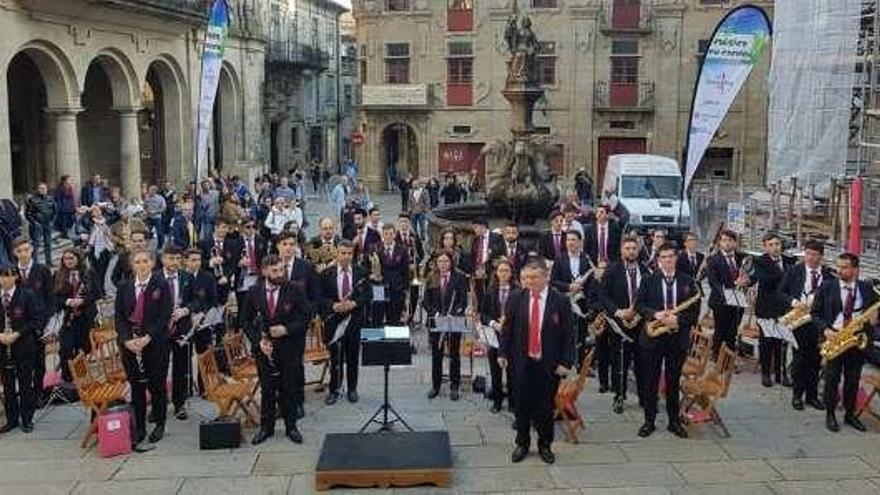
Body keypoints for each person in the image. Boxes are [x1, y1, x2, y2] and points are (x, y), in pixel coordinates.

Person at [499, 257, 574, 464]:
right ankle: (522, 443)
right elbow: (507, 330)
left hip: (548, 364)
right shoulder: (516, 298)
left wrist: (566, 362)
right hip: (521, 362)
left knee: (544, 407)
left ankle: (545, 444)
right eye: (525, 278)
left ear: (545, 277)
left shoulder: (560, 301)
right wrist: (503, 353)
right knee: (521, 406)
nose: (528, 282)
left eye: (533, 277)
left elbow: (569, 335)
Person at [240, 255, 307, 445]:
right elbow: (245, 320)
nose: (280, 274)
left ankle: (291, 426)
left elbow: (305, 316)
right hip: (265, 349)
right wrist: (257, 340)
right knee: (267, 389)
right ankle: (266, 428)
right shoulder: (254, 291)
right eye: (275, 271)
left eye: (282, 269)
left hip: (289, 347)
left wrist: (286, 329)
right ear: (265, 271)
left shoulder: (294, 289)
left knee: (289, 388)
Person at [635, 242, 699, 438]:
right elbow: (639, 305)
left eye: (671, 256)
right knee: (651, 381)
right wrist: (655, 315)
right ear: (658, 260)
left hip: (676, 339)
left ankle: (673, 421)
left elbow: (695, 312)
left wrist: (678, 319)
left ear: (676, 258)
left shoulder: (688, 281)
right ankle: (649, 421)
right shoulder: (648, 280)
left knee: (672, 382)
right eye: (663, 257)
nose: (667, 260)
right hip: (653, 338)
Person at [811, 252, 877, 433]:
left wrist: (874, 319)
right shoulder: (827, 287)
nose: (839, 270)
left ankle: (850, 414)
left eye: (844, 267)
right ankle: (830, 414)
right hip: (834, 338)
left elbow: (874, 312)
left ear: (855, 269)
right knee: (832, 379)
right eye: (838, 266)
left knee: (852, 380)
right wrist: (825, 330)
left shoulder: (865, 289)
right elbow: (814, 314)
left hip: (856, 341)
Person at [115, 250, 173, 450]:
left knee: (157, 386)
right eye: (137, 262)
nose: (141, 265)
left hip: (155, 343)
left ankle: (159, 423)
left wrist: (148, 337)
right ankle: (139, 426)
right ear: (132, 265)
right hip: (131, 345)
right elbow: (119, 317)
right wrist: (126, 340)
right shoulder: (124, 286)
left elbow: (165, 315)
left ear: (152, 263)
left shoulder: (161, 285)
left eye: (145, 261)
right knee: (137, 387)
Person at [778, 239, 831, 412]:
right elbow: (780, 292)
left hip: (818, 324)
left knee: (816, 361)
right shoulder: (794, 271)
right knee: (800, 360)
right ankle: (797, 396)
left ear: (821, 256)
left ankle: (812, 396)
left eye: (814, 255)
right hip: (799, 322)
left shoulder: (829, 275)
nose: (809, 258)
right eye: (807, 253)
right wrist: (794, 302)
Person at [600, 235, 650, 413]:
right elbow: (603, 296)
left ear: (638, 250)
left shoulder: (646, 271)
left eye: (634, 248)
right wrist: (619, 312)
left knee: (642, 362)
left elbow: (651, 296)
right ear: (622, 251)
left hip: (640, 324)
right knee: (619, 361)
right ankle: (619, 397)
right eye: (627, 248)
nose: (631, 251)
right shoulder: (612, 270)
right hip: (619, 324)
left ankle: (644, 397)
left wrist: (640, 312)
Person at [318, 241, 371, 405]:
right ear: (337, 253)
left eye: (349, 253)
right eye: (343, 253)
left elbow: (368, 294)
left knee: (353, 356)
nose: (346, 256)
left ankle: (352, 389)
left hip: (354, 321)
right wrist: (333, 306)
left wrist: (354, 304)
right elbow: (319, 298)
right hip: (334, 322)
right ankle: (334, 389)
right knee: (336, 358)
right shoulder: (326, 274)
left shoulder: (361, 272)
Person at [277, 231, 318, 419]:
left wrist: (307, 318)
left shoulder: (306, 267)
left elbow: (314, 296)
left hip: (298, 325)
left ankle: (298, 401)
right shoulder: (271, 266)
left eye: (291, 244)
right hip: (276, 326)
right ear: (278, 246)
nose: (288, 247)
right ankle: (280, 403)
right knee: (277, 366)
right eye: (285, 244)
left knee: (296, 365)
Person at [0, 265, 45, 434]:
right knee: (8, 385)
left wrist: (17, 333)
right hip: (3, 348)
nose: (5, 279)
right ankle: (12, 419)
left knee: (25, 383)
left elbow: (36, 320)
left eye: (9, 276)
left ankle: (27, 419)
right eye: (2, 276)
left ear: (16, 278)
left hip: (23, 346)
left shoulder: (27, 295)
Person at [12, 238, 53, 406]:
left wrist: (46, 322)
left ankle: (38, 394)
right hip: (19, 325)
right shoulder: (11, 272)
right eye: (19, 251)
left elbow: (50, 297)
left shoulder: (42, 270)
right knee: (22, 364)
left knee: (39, 361)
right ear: (15, 253)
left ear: (32, 250)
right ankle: (24, 394)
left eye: (26, 250)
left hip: (39, 323)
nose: (23, 254)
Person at [753, 233, 796, 388]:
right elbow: (765, 280)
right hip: (766, 308)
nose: (775, 247)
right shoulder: (760, 261)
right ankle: (766, 374)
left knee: (782, 343)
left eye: (777, 244)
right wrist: (786, 275)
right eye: (771, 244)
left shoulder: (789, 260)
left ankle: (781, 374)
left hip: (784, 308)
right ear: (765, 246)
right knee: (766, 342)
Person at [424, 252, 468, 401]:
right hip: (437, 320)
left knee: (454, 354)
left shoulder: (459, 277)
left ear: (451, 262)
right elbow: (426, 301)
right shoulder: (431, 277)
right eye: (440, 261)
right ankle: (435, 385)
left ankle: (454, 385)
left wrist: (455, 312)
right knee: (437, 354)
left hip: (453, 319)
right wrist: (435, 314)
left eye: (446, 261)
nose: (443, 264)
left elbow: (463, 300)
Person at [159, 247, 194, 420]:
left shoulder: (187, 277)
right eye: (171, 258)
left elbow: (195, 300)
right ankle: (159, 405)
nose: (175, 262)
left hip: (181, 328)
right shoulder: (155, 277)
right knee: (159, 368)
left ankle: (179, 403)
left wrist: (186, 310)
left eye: (178, 258)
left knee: (181, 367)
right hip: (161, 331)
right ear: (163, 259)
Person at [550, 230, 592, 374]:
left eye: (574, 240)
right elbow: (553, 281)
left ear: (580, 242)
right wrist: (569, 286)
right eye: (568, 240)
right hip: (565, 300)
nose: (570, 243)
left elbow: (592, 282)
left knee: (582, 332)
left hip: (581, 301)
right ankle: (565, 361)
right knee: (565, 331)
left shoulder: (587, 259)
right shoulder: (559, 259)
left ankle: (581, 364)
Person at [54, 248, 98, 383]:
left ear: (78, 258)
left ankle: (81, 377)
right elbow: (53, 297)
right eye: (66, 259)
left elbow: (97, 293)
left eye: (71, 258)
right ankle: (67, 378)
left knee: (84, 348)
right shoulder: (57, 275)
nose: (69, 261)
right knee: (66, 348)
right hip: (67, 319)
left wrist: (83, 300)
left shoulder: (89, 273)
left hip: (85, 317)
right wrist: (67, 301)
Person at [481, 260, 518, 413]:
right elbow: (483, 314)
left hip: (512, 337)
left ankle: (512, 403)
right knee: (495, 370)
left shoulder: (518, 290)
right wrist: (493, 323)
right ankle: (497, 401)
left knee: (512, 371)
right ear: (496, 273)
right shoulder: (490, 291)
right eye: (501, 271)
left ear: (511, 273)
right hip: (495, 335)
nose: (503, 274)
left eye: (506, 271)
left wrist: (510, 322)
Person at [706, 230, 750, 358]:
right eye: (724, 240)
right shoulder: (713, 260)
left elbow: (751, 273)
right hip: (720, 301)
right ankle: (716, 355)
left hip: (739, 301)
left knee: (733, 331)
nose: (727, 243)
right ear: (720, 243)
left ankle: (729, 358)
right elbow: (713, 282)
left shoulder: (742, 257)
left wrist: (747, 280)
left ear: (735, 243)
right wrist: (727, 294)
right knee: (720, 330)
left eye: (730, 240)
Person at [372, 224, 410, 326]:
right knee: (378, 314)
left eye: (391, 234)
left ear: (394, 235)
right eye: (386, 234)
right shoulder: (375, 248)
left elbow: (405, 270)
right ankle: (380, 338)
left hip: (397, 287)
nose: (388, 236)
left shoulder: (402, 249)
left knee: (395, 315)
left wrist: (405, 288)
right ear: (382, 235)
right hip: (379, 287)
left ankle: (393, 338)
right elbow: (369, 267)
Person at [25, 183, 57, 266]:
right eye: (41, 188)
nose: (43, 190)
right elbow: (28, 213)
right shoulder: (32, 200)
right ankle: (35, 263)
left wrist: (52, 221)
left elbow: (55, 211)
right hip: (37, 225)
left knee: (48, 243)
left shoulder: (51, 199)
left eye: (44, 188)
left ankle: (49, 262)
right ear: (38, 190)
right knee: (36, 244)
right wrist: (34, 223)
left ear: (47, 189)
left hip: (48, 223)